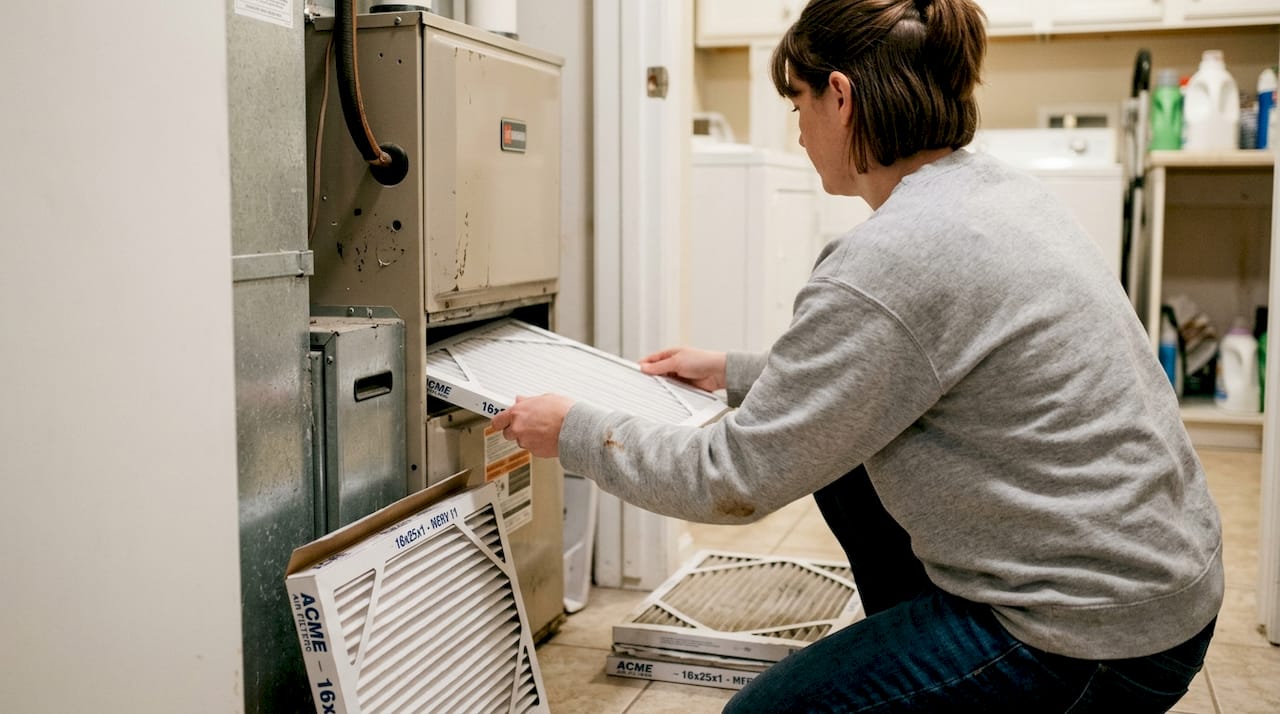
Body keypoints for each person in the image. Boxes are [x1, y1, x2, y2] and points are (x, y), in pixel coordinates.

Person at [490, 0, 1223, 710]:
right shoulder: (992, 190)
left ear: (840, 98)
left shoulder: (887, 259)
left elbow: (730, 479)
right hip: (1161, 579)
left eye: (797, 104)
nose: (798, 133)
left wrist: (574, 431)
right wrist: (736, 373)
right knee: (841, 469)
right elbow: (882, 374)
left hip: (1096, 635)